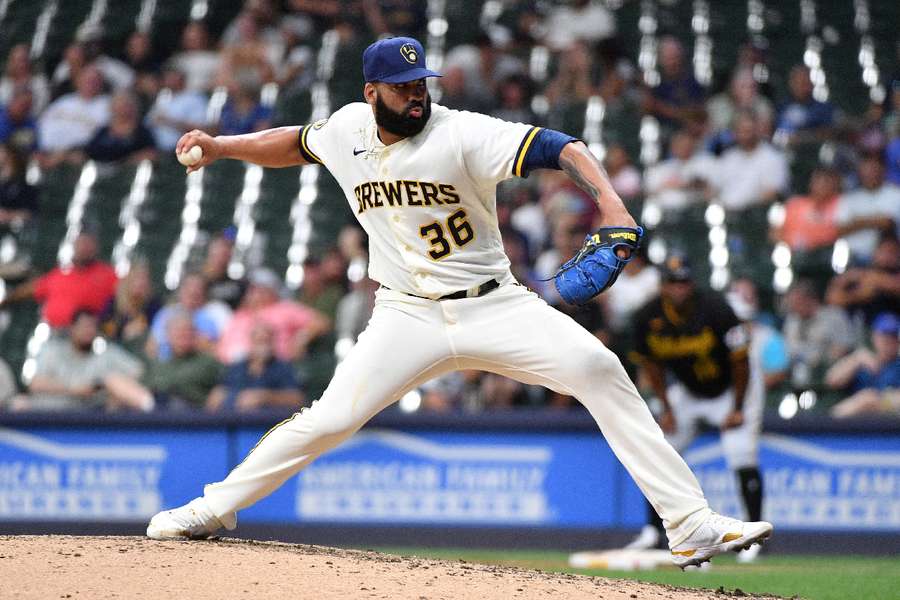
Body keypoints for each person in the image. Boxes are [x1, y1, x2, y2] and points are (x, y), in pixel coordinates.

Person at [147, 36, 772, 567]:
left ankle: (689, 524)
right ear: (372, 93)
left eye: (420, 82)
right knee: (330, 418)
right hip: (404, 314)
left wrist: (611, 204)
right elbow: (297, 143)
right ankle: (211, 508)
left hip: (493, 304)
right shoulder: (346, 130)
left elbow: (563, 147)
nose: (416, 94)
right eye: (401, 87)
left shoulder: (461, 132)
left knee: (599, 369)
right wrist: (225, 145)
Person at [627, 254, 765, 563]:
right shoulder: (647, 316)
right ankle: (652, 531)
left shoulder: (715, 308)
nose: (679, 289)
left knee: (741, 453)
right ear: (662, 286)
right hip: (689, 391)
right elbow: (651, 365)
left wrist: (738, 407)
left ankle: (754, 537)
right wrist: (667, 407)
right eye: (673, 283)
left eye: (684, 282)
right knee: (660, 452)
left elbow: (741, 359)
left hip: (733, 388)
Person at [19, 310, 145, 412]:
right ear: (72, 328)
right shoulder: (52, 350)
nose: (89, 331)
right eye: (84, 326)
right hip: (48, 417)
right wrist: (75, 390)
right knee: (19, 404)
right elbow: (35, 384)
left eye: (92, 326)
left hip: (86, 420)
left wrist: (109, 390)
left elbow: (138, 372)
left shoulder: (105, 354)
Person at [0, 230, 117, 329]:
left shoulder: (107, 274)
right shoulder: (60, 273)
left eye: (87, 244)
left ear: (95, 248)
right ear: (74, 246)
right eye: (81, 244)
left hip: (88, 337)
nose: (84, 248)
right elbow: (30, 289)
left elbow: (125, 296)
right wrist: (5, 302)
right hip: (53, 333)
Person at [206, 321, 305, 412]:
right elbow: (218, 394)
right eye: (259, 340)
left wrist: (265, 397)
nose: (263, 345)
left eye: (267, 340)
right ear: (251, 342)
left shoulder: (283, 368)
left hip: (267, 424)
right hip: (234, 421)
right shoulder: (237, 368)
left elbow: (297, 398)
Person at [828, 313, 900, 418]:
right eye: (884, 336)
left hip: (889, 422)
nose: (888, 341)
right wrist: (856, 358)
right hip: (856, 423)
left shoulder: (897, 365)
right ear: (874, 336)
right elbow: (832, 380)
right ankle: (827, 425)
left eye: (893, 336)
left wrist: (877, 400)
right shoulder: (862, 360)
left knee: (867, 399)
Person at [834, 155, 900, 264]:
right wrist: (873, 220)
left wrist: (856, 222)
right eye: (866, 170)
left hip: (884, 259)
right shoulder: (849, 198)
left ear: (883, 171)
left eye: (874, 170)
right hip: (850, 257)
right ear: (859, 172)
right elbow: (839, 229)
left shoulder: (896, 194)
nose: (870, 174)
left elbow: (887, 223)